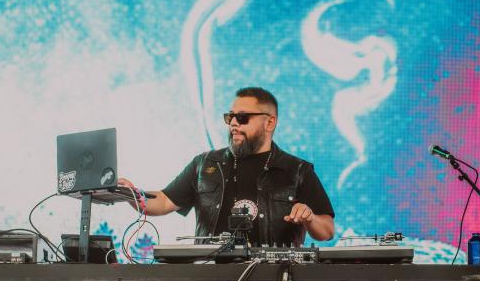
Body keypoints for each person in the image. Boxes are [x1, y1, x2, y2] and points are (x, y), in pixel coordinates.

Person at [119, 87, 335, 248]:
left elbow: (326, 230)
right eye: (230, 117)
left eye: (242, 118)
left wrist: (310, 218)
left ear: (269, 123)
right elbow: (165, 201)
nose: (233, 123)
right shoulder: (205, 164)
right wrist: (131, 194)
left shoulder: (297, 170)